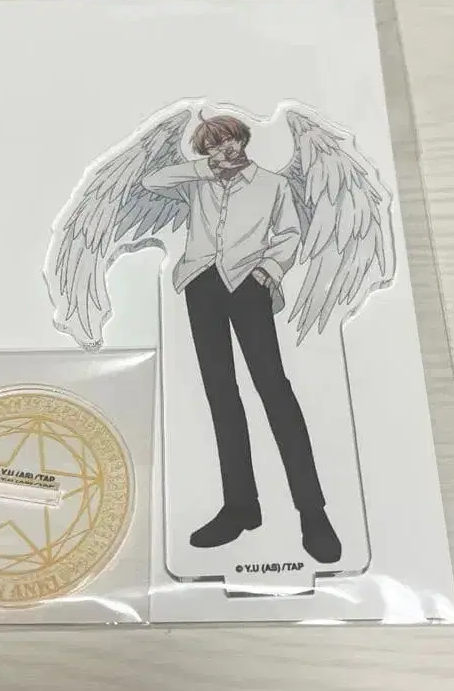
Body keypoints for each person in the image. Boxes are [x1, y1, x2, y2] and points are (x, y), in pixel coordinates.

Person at [141, 113, 341, 563]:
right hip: (201, 286)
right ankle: (240, 506)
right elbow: (152, 182)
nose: (223, 150)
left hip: (250, 285)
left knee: (274, 390)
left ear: (243, 139)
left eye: (228, 140)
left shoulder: (272, 184)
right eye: (212, 146)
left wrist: (267, 270)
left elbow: (289, 234)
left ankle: (312, 512)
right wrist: (201, 168)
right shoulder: (197, 182)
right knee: (220, 394)